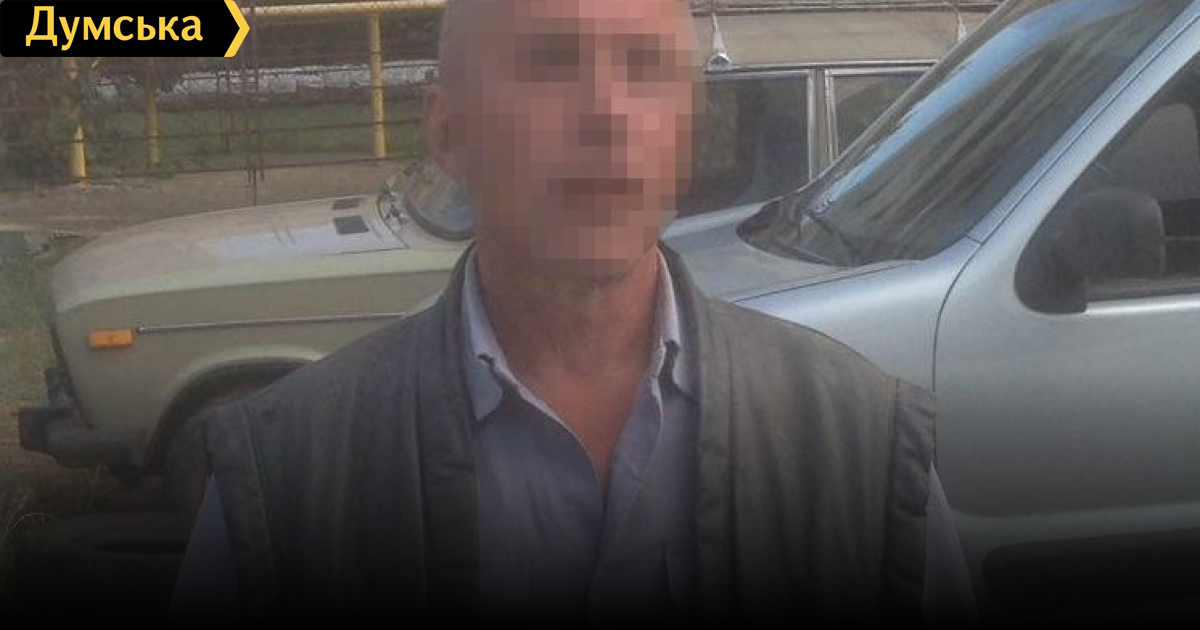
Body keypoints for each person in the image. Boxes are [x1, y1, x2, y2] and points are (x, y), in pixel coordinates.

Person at [170, 0, 978, 623]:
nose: (606, 114)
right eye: (551, 64)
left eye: (644, 71)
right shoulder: (285, 478)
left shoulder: (861, 444)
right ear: (449, 133)